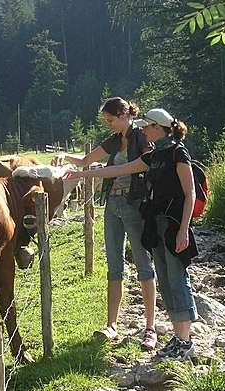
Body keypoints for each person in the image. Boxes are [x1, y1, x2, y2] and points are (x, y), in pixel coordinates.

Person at [65, 108, 198, 361]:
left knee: (177, 276)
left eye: (147, 127)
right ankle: (178, 337)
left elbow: (189, 193)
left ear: (158, 128)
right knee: (167, 278)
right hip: (156, 224)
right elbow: (119, 170)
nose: (143, 131)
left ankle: (185, 339)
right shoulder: (155, 154)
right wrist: (84, 174)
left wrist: (183, 230)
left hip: (172, 224)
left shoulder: (178, 153)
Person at [54, 97, 157, 350]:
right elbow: (85, 160)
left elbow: (135, 167)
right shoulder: (115, 140)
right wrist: (65, 155)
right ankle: (112, 325)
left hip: (134, 206)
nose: (108, 125)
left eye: (110, 120)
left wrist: (86, 174)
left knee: (144, 265)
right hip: (112, 206)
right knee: (114, 265)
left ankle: (150, 328)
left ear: (124, 115)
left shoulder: (141, 137)